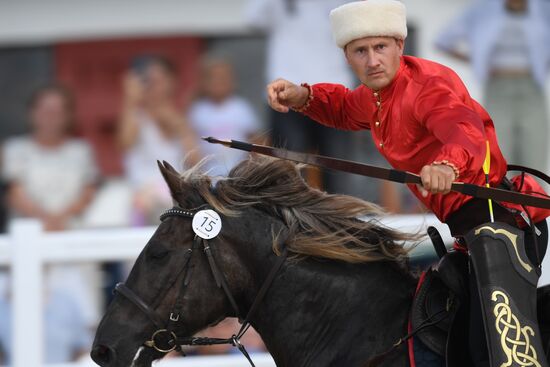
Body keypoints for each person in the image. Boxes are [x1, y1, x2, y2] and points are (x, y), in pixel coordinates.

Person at [265, 0, 550, 366]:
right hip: (468, 233)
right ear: (347, 56)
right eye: (360, 51)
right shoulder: (373, 97)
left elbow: (463, 130)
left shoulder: (428, 85)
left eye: (381, 47)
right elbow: (342, 107)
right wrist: (303, 96)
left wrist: (447, 164)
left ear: (400, 45)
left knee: (497, 354)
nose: (372, 61)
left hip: (499, 224)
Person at [435, 0, 550, 172]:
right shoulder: (483, 9)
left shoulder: (543, 7)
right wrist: (476, 61)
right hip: (498, 88)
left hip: (531, 88)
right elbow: (444, 40)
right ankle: (504, 198)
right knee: (500, 153)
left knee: (535, 153)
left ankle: (536, 197)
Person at [118, 55, 200, 225]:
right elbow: (125, 142)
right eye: (150, 81)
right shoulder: (136, 117)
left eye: (160, 80)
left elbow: (195, 160)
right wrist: (131, 99)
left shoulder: (183, 118)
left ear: (172, 81)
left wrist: (179, 125)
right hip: (140, 195)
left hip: (175, 194)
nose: (155, 87)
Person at [189, 57, 262, 177]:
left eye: (223, 78)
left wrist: (249, 167)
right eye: (213, 78)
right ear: (203, 81)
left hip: (238, 172)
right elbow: (190, 142)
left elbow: (256, 139)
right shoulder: (198, 110)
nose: (218, 82)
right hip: (207, 173)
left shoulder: (241, 108)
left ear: (233, 81)